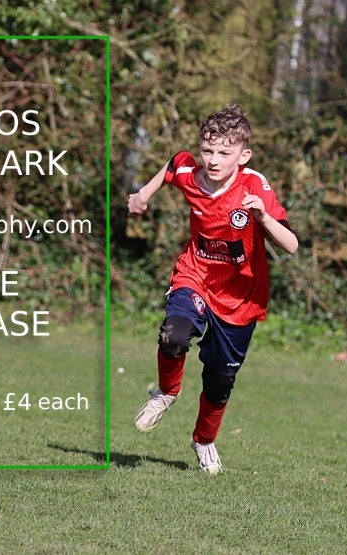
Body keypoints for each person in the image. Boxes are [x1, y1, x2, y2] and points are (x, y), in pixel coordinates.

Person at [128, 104, 298, 474]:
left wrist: (264, 217)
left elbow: (291, 245)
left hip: (241, 298)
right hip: (196, 276)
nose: (214, 160)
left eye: (224, 153)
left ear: (243, 155)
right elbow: (174, 164)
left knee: (219, 382)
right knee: (174, 335)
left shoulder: (254, 185)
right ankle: (167, 392)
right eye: (208, 150)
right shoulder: (193, 171)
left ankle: (204, 440)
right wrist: (143, 195)